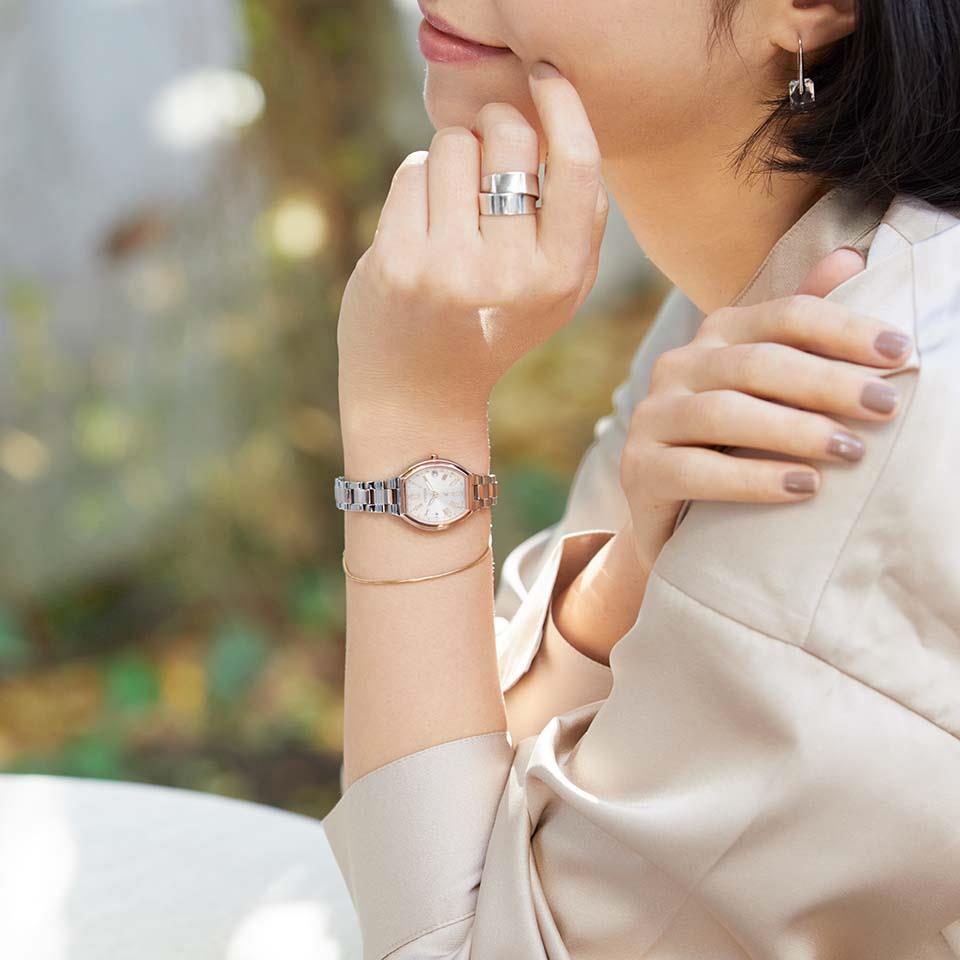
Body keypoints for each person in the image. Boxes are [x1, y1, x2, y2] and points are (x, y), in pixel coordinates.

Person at [324, 0, 960, 956]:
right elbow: (492, 818)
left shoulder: (849, 404)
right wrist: (628, 576)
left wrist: (411, 417)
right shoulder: (764, 293)